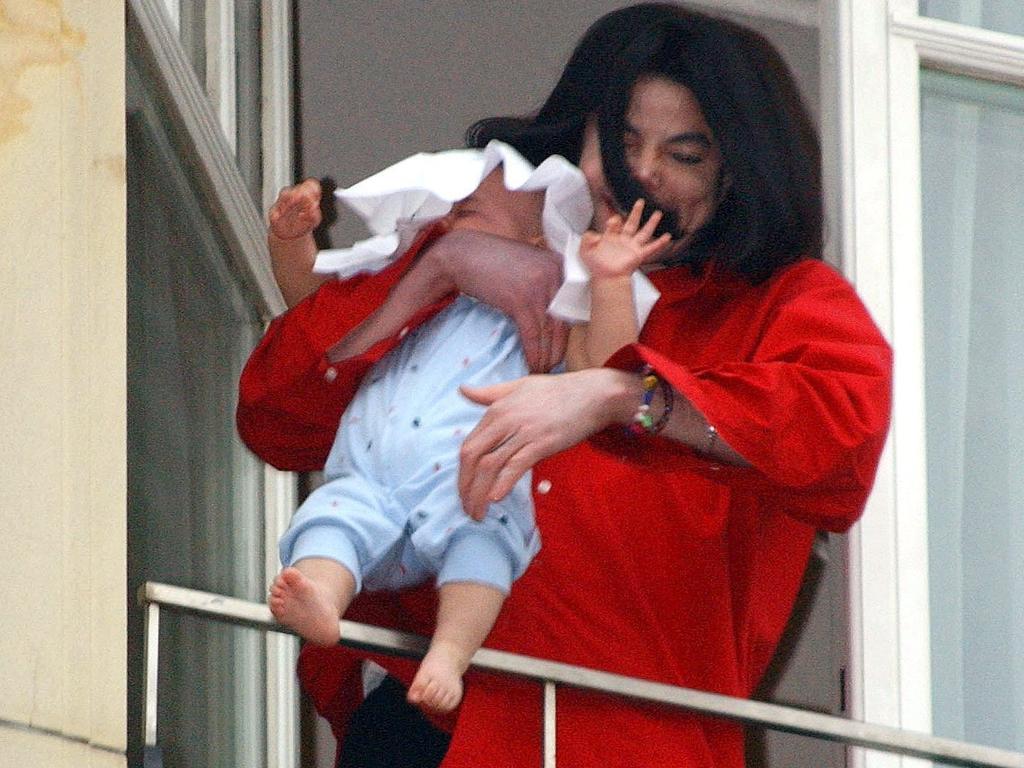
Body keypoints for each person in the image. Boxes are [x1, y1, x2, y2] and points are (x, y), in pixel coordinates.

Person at [237, 3, 893, 766]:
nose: (640, 173)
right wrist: (442, 270)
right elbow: (275, 417)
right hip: (434, 731)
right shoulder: (489, 240)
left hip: (624, 745)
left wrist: (622, 397)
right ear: (577, 138)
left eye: (683, 155)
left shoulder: (781, 304)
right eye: (621, 141)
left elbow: (838, 443)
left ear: (734, 173)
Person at [267, 140, 671, 715]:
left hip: (473, 481)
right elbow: (313, 312)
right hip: (368, 478)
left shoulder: (553, 304)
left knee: (485, 542)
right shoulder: (412, 291)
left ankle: (450, 655)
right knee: (330, 519)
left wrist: (607, 279)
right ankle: (323, 604)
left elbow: (601, 368)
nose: (447, 223)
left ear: (537, 240)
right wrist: (290, 242)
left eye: (467, 211)